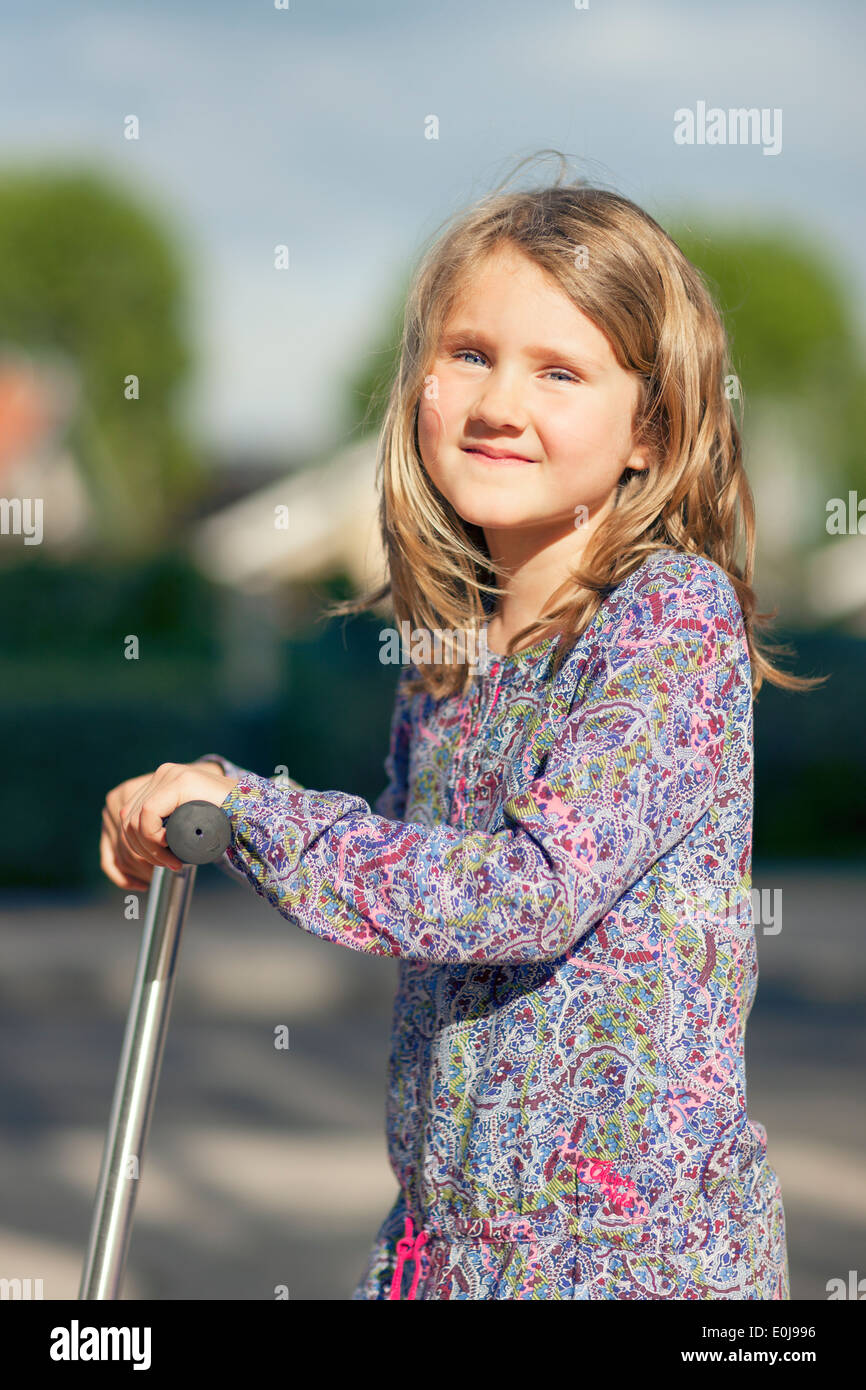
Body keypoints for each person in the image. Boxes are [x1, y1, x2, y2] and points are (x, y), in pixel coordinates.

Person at [101, 164, 822, 1300]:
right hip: (448, 1248)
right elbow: (410, 885)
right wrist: (218, 819)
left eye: (557, 370)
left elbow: (521, 891)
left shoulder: (667, 621)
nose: (498, 402)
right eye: (469, 353)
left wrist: (260, 810)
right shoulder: (453, 648)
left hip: (628, 1264)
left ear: (650, 427)